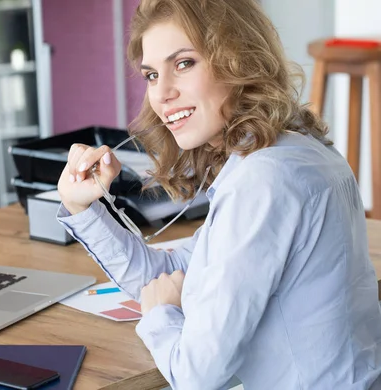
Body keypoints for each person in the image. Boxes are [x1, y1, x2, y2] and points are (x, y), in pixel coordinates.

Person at [56, 0, 381, 389]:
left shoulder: (264, 179)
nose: (162, 94)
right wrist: (83, 206)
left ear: (237, 60)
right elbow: (167, 276)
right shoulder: (297, 149)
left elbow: (197, 376)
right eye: (151, 75)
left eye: (184, 63)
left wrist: (160, 314)